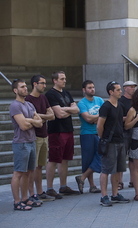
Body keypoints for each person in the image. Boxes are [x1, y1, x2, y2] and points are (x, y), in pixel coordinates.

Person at [45, 71, 80, 199]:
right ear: (55, 80)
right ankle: (49, 188)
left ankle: (63, 186)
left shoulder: (66, 93)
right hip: (56, 131)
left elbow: (77, 109)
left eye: (65, 78)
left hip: (68, 129)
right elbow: (58, 114)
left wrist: (64, 109)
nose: (64, 81)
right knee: (54, 159)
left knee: (65, 159)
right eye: (62, 79)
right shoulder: (50, 94)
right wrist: (69, 110)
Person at [10, 79, 43, 211]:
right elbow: (23, 126)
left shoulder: (29, 105)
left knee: (29, 172)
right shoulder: (15, 105)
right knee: (18, 172)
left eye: (25, 86)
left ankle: (25, 198)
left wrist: (29, 120)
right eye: (22, 87)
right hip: (21, 143)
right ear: (15, 90)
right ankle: (17, 201)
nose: (25, 89)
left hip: (31, 141)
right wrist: (31, 121)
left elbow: (40, 123)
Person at [97, 81, 130, 206]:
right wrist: (103, 138)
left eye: (120, 89)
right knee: (106, 169)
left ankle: (115, 194)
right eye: (118, 90)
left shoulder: (120, 105)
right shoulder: (106, 106)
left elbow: (119, 120)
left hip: (120, 140)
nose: (120, 91)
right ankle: (104, 196)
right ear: (111, 92)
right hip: (109, 142)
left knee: (117, 169)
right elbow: (100, 125)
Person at [25, 75, 56, 202]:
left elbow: (52, 115)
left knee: (40, 166)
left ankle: (40, 192)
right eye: (42, 83)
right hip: (34, 136)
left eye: (45, 83)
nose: (44, 85)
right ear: (34, 84)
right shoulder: (28, 99)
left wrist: (39, 116)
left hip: (44, 135)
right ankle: (32, 194)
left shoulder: (43, 98)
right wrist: (41, 117)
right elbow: (31, 118)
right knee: (32, 166)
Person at [75, 80, 104, 194]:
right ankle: (92, 185)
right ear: (84, 90)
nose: (92, 89)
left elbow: (105, 115)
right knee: (88, 159)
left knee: (101, 156)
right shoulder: (82, 103)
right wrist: (99, 117)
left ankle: (82, 178)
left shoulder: (100, 100)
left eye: (93, 87)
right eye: (89, 87)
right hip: (87, 133)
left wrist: (95, 118)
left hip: (98, 132)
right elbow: (88, 119)